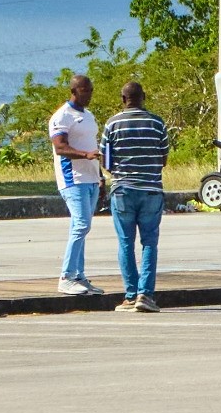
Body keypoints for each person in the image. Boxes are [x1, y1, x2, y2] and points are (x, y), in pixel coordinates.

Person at [101, 82, 170, 313]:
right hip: (151, 190)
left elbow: (106, 161)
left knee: (125, 243)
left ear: (123, 99)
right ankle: (146, 294)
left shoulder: (112, 124)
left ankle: (131, 295)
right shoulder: (157, 123)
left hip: (123, 190)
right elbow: (163, 159)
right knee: (149, 243)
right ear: (144, 96)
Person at [49, 74, 105, 296]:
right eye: (85, 91)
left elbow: (92, 145)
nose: (89, 94)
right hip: (72, 179)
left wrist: (100, 176)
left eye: (91, 90)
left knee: (81, 226)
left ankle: (79, 276)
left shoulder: (89, 116)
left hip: (91, 178)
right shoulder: (62, 116)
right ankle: (67, 276)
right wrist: (85, 155)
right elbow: (60, 148)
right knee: (81, 225)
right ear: (74, 91)